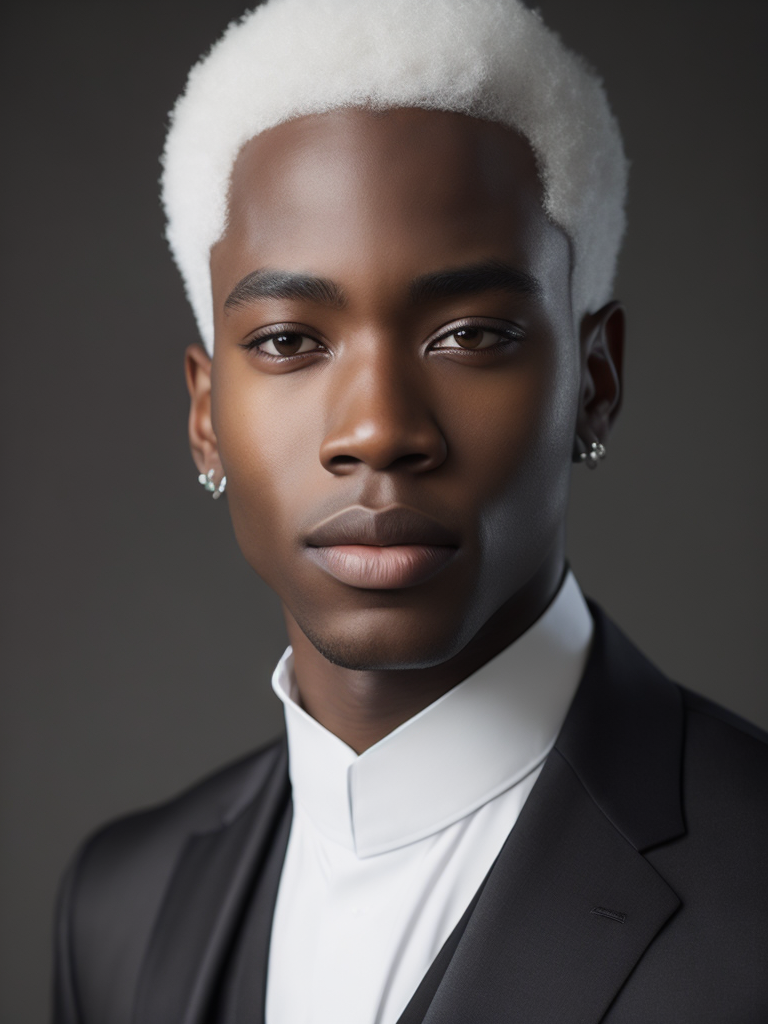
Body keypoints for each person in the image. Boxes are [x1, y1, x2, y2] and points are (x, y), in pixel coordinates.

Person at [52, 1, 768, 1021]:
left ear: (595, 381)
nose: (380, 429)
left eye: (472, 333)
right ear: (205, 414)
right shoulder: (116, 902)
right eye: (291, 341)